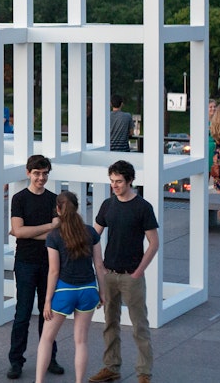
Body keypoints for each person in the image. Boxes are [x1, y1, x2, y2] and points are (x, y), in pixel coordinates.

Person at [88, 160, 159, 383]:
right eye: (112, 181)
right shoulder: (108, 205)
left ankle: (144, 373)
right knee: (110, 323)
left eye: (119, 181)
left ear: (129, 181)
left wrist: (139, 271)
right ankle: (111, 367)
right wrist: (98, 267)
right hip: (109, 273)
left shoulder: (143, 207)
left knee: (139, 325)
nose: (114, 186)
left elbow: (154, 243)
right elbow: (93, 236)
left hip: (131, 275)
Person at [36, 192, 104, 383]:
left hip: (64, 291)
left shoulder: (54, 236)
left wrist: (47, 301)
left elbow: (54, 271)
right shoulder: (90, 232)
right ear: (77, 207)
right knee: (81, 341)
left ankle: (39, 381)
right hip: (89, 290)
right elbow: (99, 264)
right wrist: (103, 293)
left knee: (47, 339)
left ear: (58, 209)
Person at [8, 155, 65, 380]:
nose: (41, 178)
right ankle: (16, 361)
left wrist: (30, 232)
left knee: (48, 312)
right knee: (22, 313)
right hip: (24, 262)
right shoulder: (19, 198)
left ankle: (50, 358)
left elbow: (56, 234)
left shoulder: (54, 199)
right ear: (28, 173)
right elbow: (18, 231)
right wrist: (48, 227)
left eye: (44, 173)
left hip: (49, 263)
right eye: (37, 173)